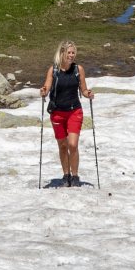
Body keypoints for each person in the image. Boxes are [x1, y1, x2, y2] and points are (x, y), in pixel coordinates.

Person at [44, 40, 93, 186]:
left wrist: (88, 93)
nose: (71, 55)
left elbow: (83, 90)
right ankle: (66, 175)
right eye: (69, 53)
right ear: (62, 53)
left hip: (74, 111)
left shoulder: (79, 69)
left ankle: (75, 176)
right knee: (62, 145)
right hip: (57, 112)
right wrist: (43, 91)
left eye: (73, 53)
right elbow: (47, 86)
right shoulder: (53, 70)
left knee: (72, 144)